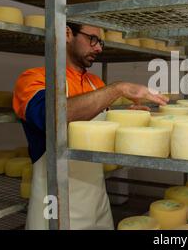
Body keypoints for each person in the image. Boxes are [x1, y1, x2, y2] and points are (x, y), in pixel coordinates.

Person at [13, 23, 168, 230]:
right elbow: (52, 117)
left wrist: (126, 118)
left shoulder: (96, 83)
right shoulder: (35, 78)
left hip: (97, 198)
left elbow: (97, 128)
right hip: (57, 203)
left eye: (101, 42)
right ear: (68, 34)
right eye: (92, 39)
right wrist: (118, 88)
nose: (99, 48)